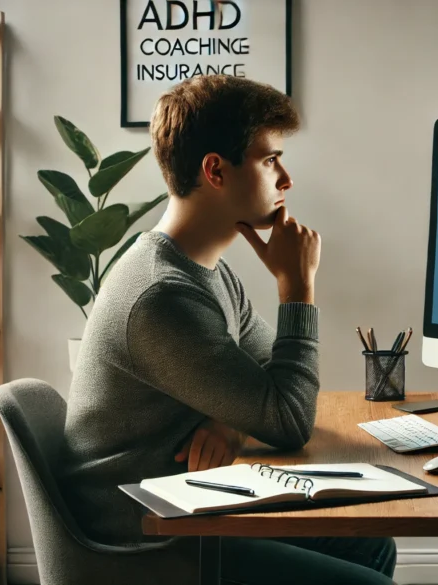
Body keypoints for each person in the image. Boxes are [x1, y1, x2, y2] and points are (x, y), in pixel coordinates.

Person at [56, 74, 397, 585]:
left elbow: (270, 388)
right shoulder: (163, 295)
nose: (286, 179)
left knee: (370, 544)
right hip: (145, 540)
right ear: (215, 169)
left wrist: (230, 421)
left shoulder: (204, 269)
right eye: (269, 159)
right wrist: (296, 285)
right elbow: (288, 418)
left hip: (188, 506)